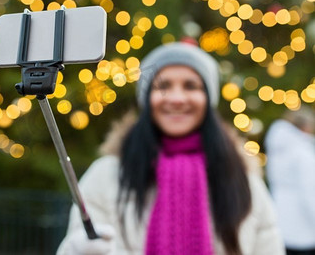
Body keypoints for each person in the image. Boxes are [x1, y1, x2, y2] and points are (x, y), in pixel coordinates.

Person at [57, 42, 285, 255]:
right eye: (163, 86)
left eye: (191, 86)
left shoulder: (242, 181)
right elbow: (76, 241)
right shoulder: (107, 176)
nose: (176, 98)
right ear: (147, 98)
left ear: (208, 98)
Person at [264, 107, 315, 255]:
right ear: (305, 126)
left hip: (281, 221)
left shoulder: (276, 150)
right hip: (304, 228)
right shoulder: (303, 153)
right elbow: (310, 192)